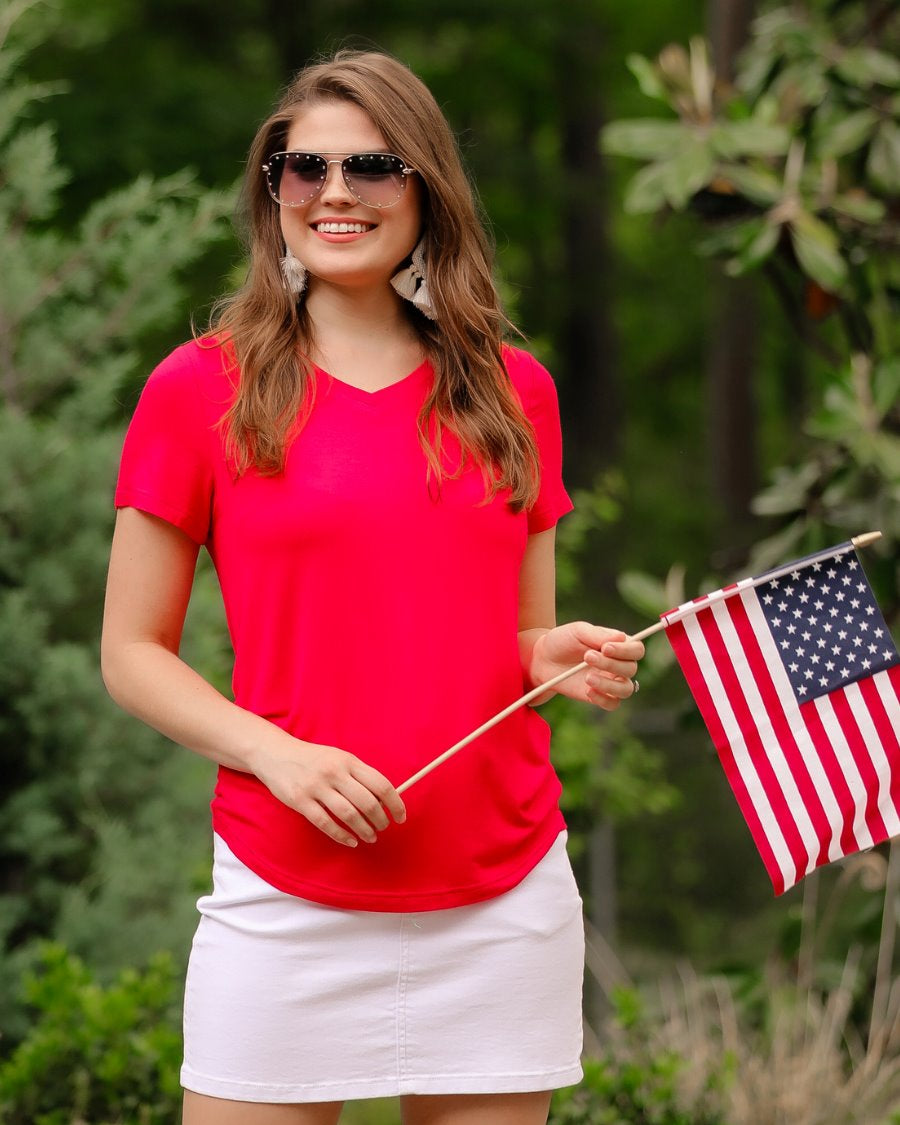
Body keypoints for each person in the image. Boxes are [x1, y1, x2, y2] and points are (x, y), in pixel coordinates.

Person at [101, 48, 645, 1125]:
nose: (335, 192)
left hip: (500, 894)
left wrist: (553, 657)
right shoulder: (199, 389)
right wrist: (276, 754)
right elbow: (130, 653)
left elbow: (517, 640)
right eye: (304, 167)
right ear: (274, 191)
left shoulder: (515, 391)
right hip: (284, 889)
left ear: (427, 189)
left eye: (373, 166)